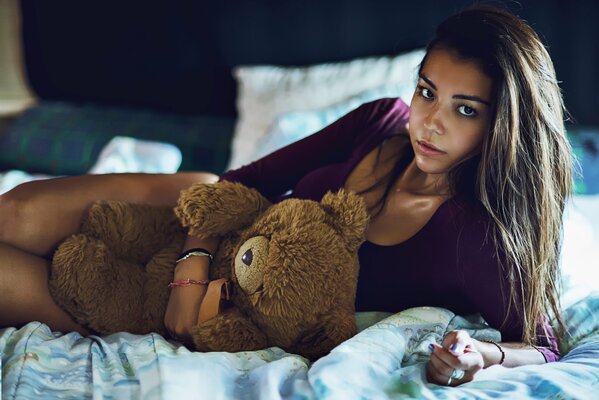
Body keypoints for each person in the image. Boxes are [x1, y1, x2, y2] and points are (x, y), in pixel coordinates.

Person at [0, 4, 572, 387]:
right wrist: (191, 265)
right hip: (203, 219)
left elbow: (545, 345)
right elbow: (243, 181)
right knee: (16, 207)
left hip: (227, 305)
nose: (430, 122)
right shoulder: (380, 121)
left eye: (464, 109)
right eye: (428, 91)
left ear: (505, 125)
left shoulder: (472, 237)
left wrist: (484, 354)